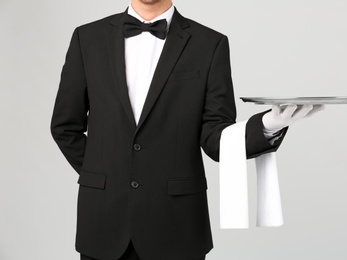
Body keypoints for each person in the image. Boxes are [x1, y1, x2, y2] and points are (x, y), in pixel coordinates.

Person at [50, 0, 323, 259]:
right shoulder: (86, 38)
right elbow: (65, 126)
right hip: (103, 223)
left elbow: (215, 137)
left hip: (177, 226)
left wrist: (267, 126)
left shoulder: (210, 44)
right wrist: (106, 174)